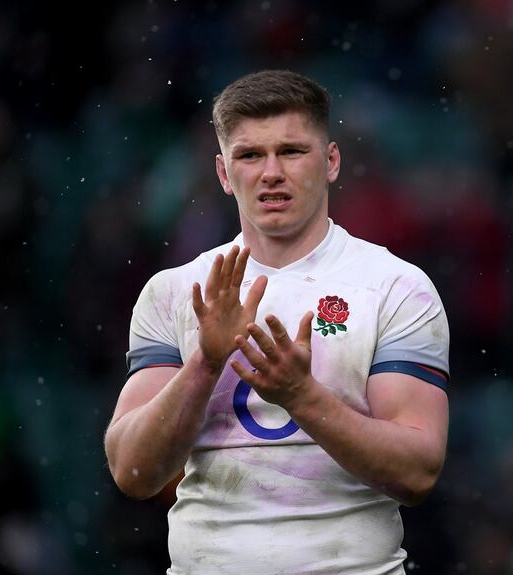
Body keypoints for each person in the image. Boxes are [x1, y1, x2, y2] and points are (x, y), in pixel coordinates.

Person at [104, 70, 450, 574]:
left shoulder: (396, 288)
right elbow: (132, 471)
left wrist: (300, 395)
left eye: (291, 151)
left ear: (331, 162)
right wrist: (206, 362)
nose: (271, 172)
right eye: (249, 155)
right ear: (224, 174)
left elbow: (418, 472)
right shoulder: (176, 292)